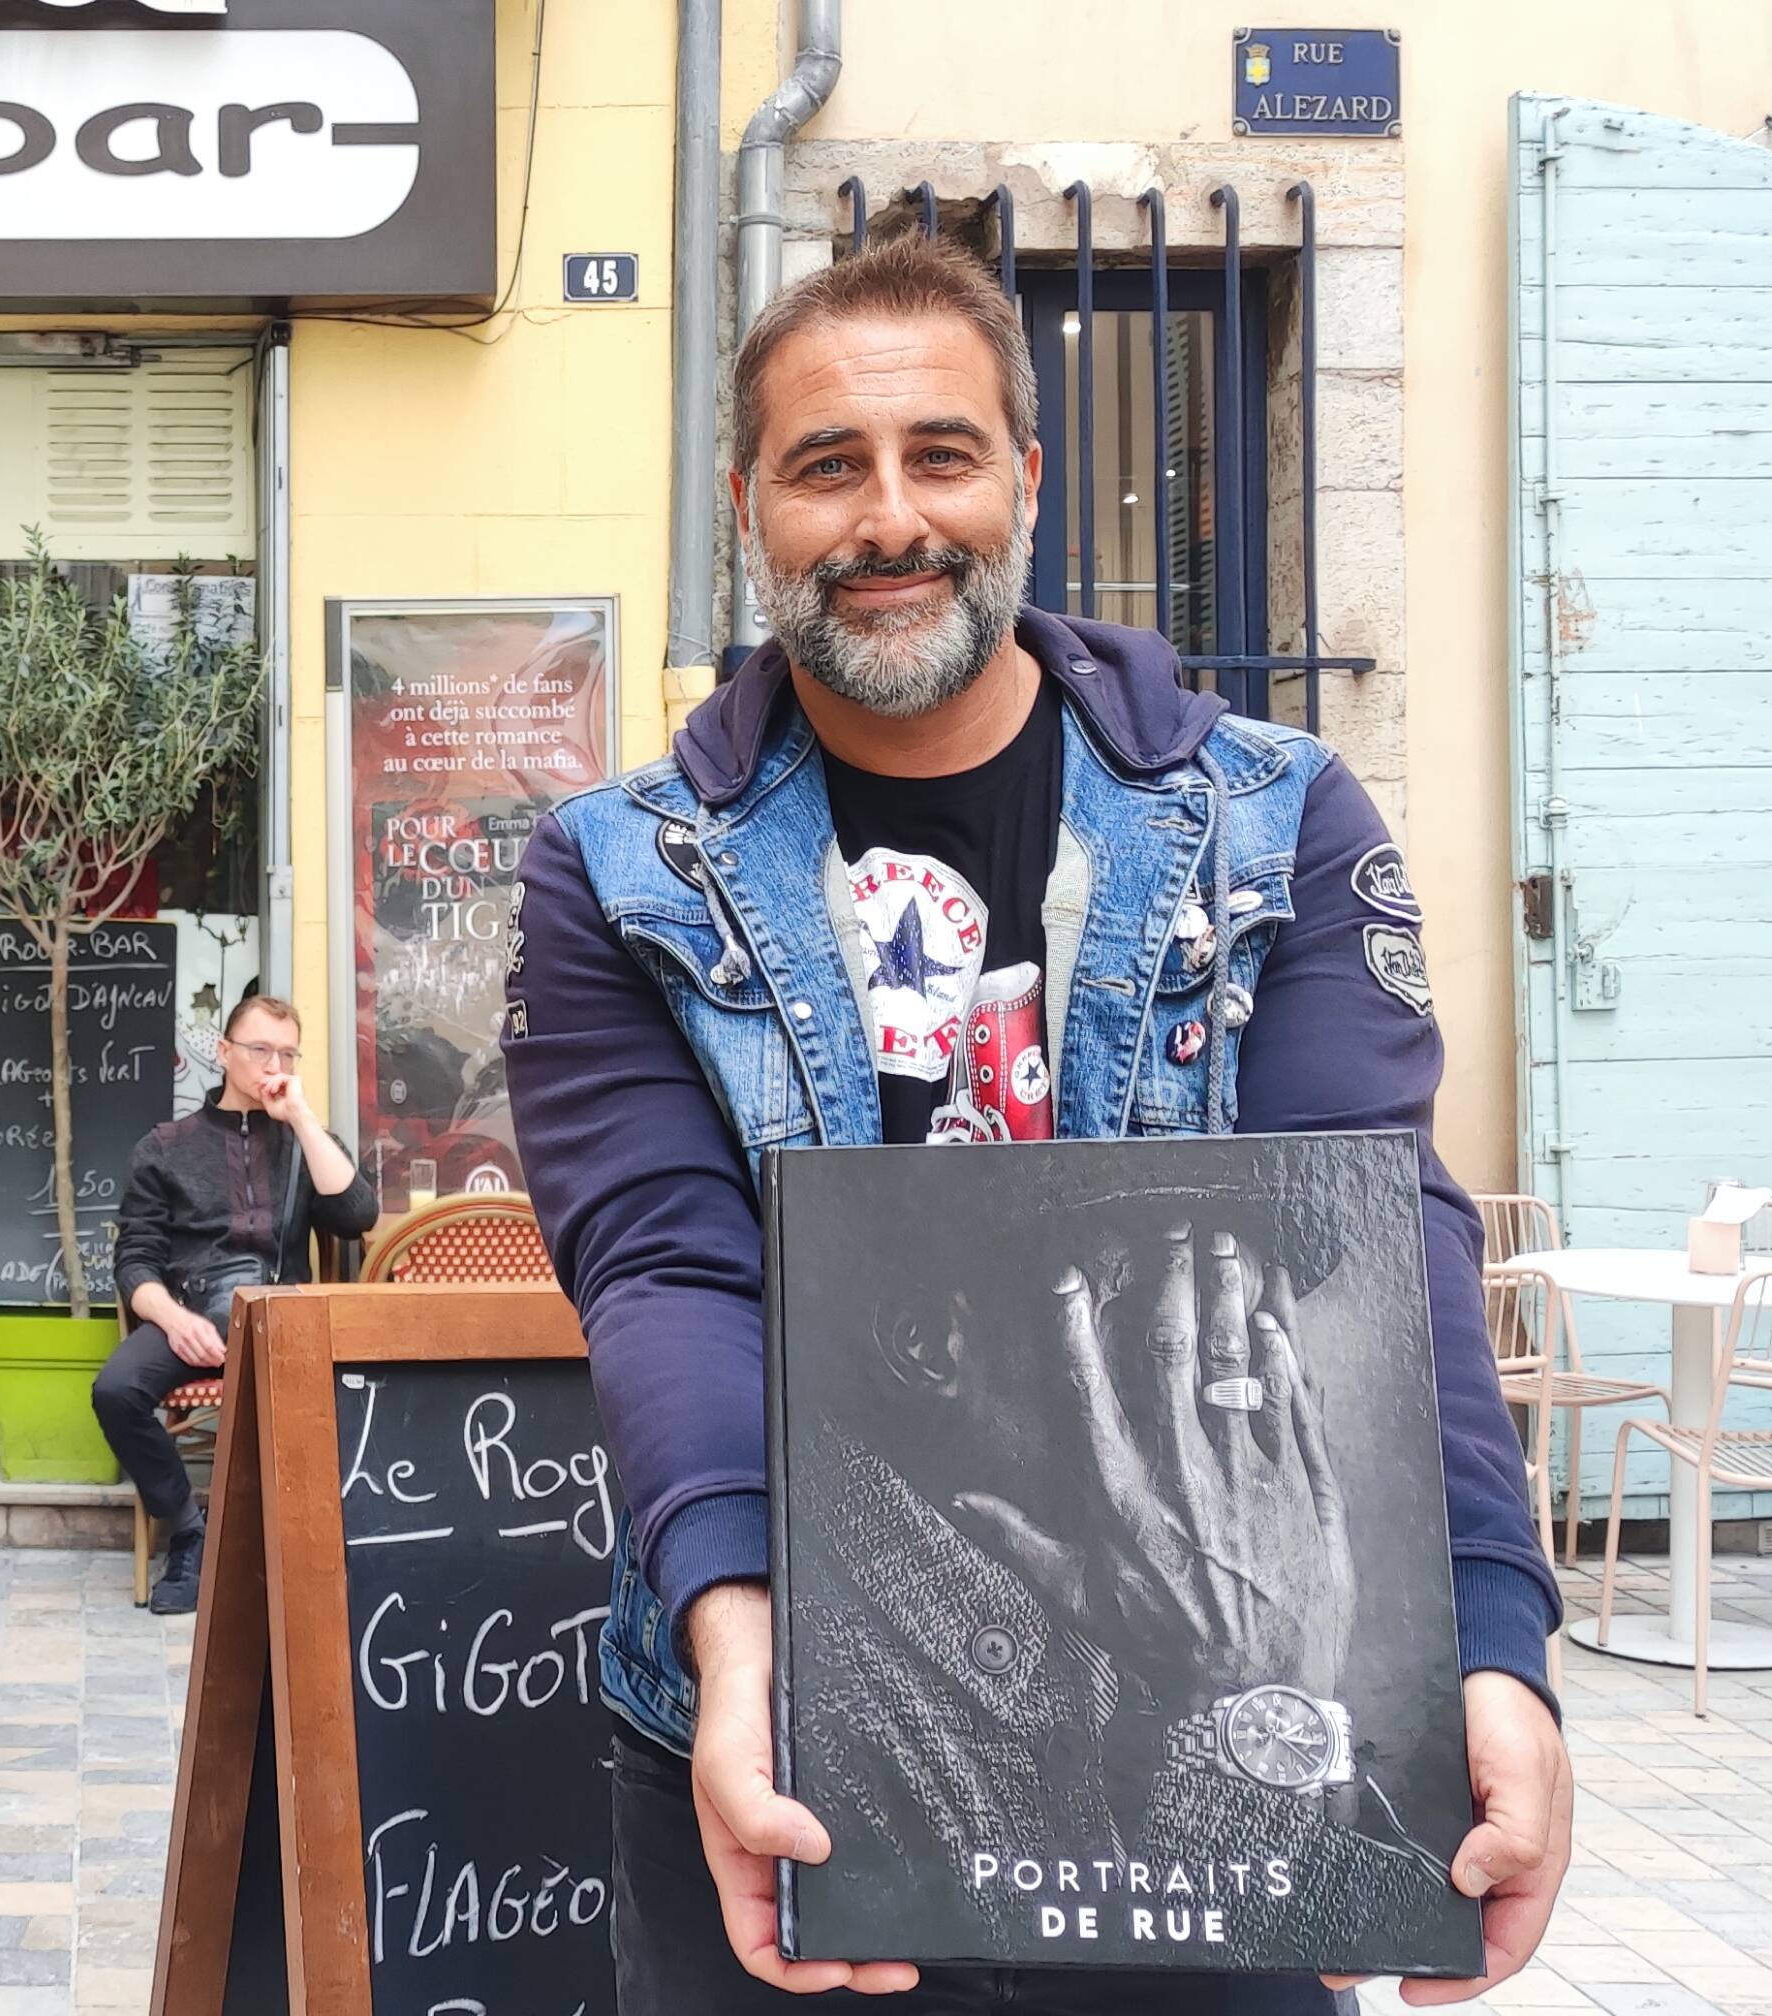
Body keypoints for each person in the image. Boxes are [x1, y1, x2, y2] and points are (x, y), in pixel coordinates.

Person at [503, 237, 1573, 2012]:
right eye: (827, 465)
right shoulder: (621, 874)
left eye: (942, 455)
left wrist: (1493, 1637)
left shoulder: (1271, 823)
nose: (890, 518)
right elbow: (664, 1272)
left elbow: (1384, 1236)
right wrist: (743, 1631)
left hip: (1195, 1722)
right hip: (776, 1711)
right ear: (748, 503)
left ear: (1027, 480)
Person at [89, 993, 376, 1615]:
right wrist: (174, 1320)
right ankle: (190, 1531)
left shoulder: (303, 1141)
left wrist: (300, 1119)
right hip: (193, 1318)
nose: (275, 1064)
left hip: (283, 1322)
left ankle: (310, 1547)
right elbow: (134, 1260)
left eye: (287, 1052)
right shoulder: (165, 1147)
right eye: (260, 1049)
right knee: (116, 1390)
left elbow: (357, 1217)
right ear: (223, 1053)